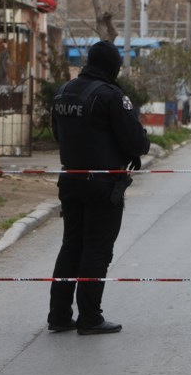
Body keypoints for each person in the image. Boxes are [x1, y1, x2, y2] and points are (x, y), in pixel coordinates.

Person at [47, 40, 150, 335]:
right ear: (112, 66)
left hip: (70, 179)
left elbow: (58, 133)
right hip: (103, 185)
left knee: (71, 247)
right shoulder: (110, 96)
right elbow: (135, 142)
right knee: (97, 250)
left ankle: (59, 316)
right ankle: (90, 318)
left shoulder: (63, 92)